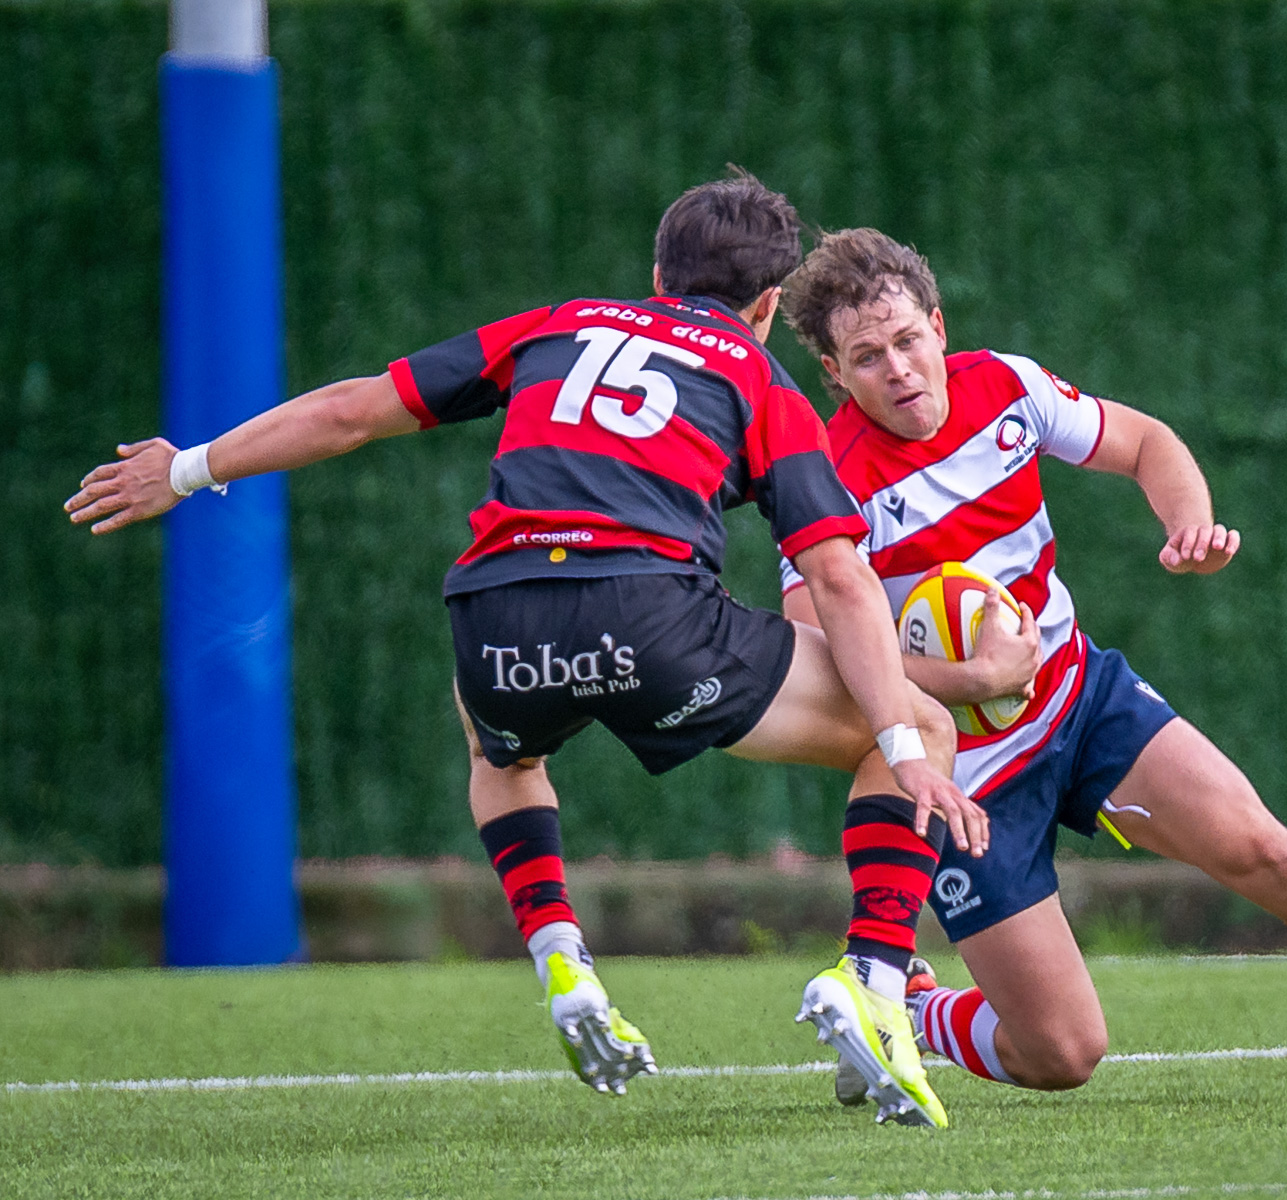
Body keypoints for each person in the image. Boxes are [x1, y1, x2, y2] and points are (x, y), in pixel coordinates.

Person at [64, 174, 987, 1125]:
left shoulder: (556, 323)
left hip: (495, 610)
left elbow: (351, 413)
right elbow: (838, 579)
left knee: (501, 750)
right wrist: (908, 743)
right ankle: (876, 978)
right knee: (912, 724)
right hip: (650, 617)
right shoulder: (757, 375)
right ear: (764, 306)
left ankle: (561, 959)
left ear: (656, 274)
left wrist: (184, 467)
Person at [776, 228, 1287, 1117]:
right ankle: (914, 1009)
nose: (899, 369)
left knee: (1273, 855)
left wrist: (1188, 524)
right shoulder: (825, 477)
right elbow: (819, 643)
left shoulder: (1006, 387)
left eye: (908, 339)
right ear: (837, 377)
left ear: (939, 326)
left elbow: (1147, 443)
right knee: (1061, 1052)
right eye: (868, 356)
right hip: (967, 774)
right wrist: (969, 675)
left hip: (1080, 700)